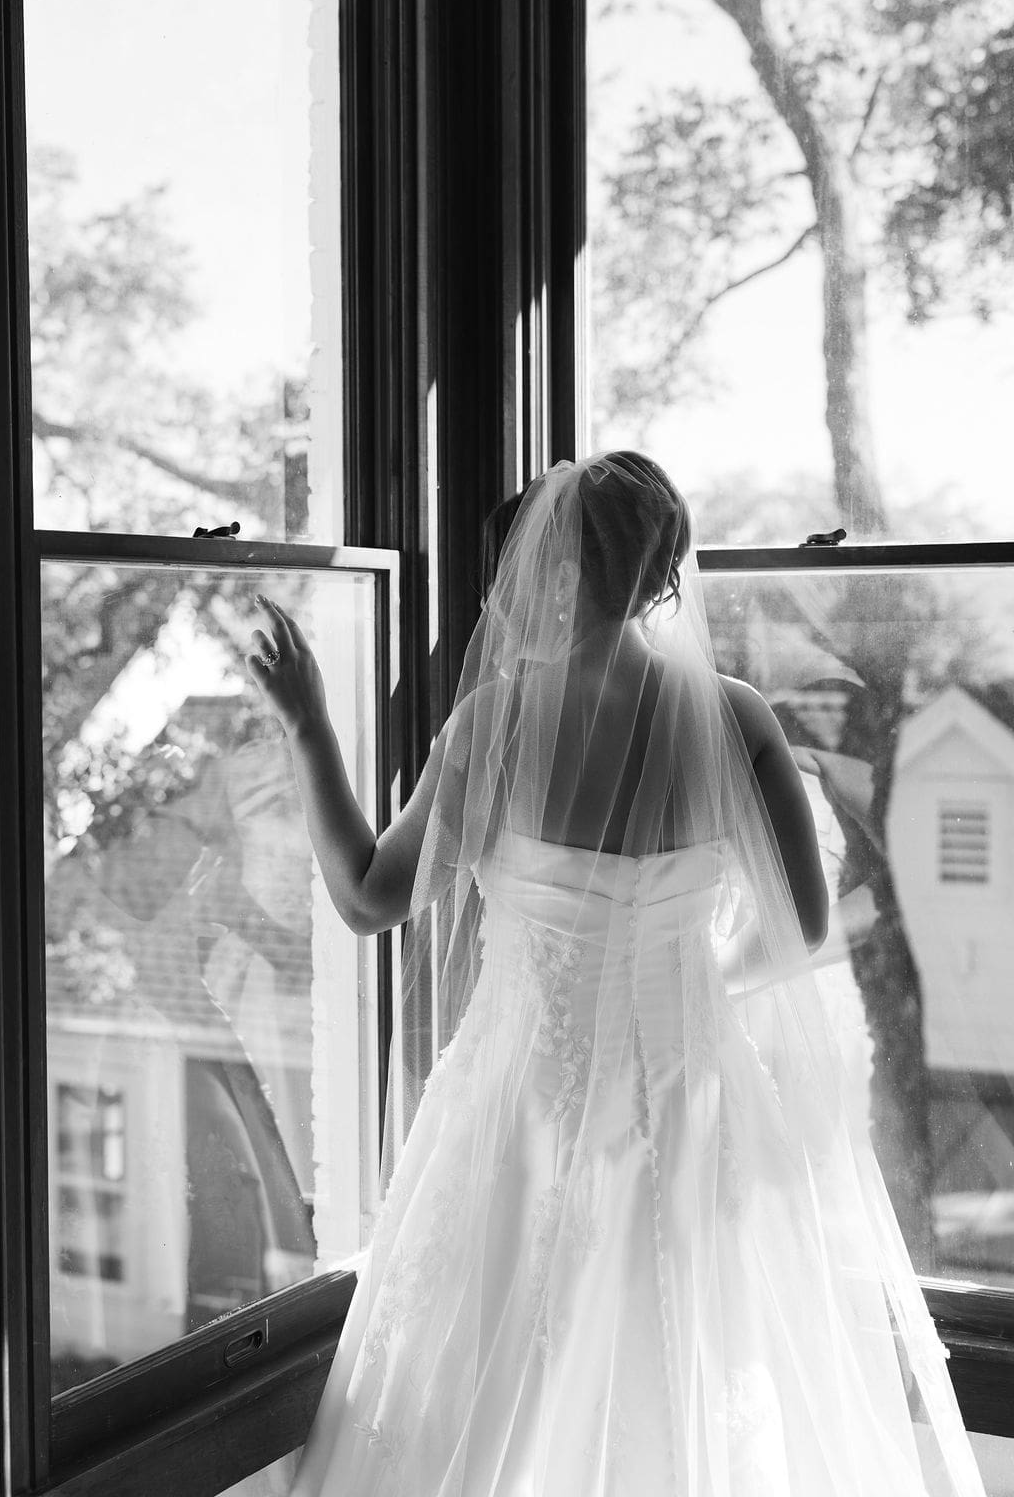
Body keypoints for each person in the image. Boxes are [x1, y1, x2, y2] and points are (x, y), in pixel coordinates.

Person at [248, 452, 986, 1495]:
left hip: (519, 1111)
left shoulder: (497, 722)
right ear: (661, 573)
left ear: (548, 573)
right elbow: (801, 924)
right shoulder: (735, 717)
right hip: (691, 1100)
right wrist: (682, 988)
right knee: (690, 1371)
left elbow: (370, 896)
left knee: (503, 1383)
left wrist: (309, 725)